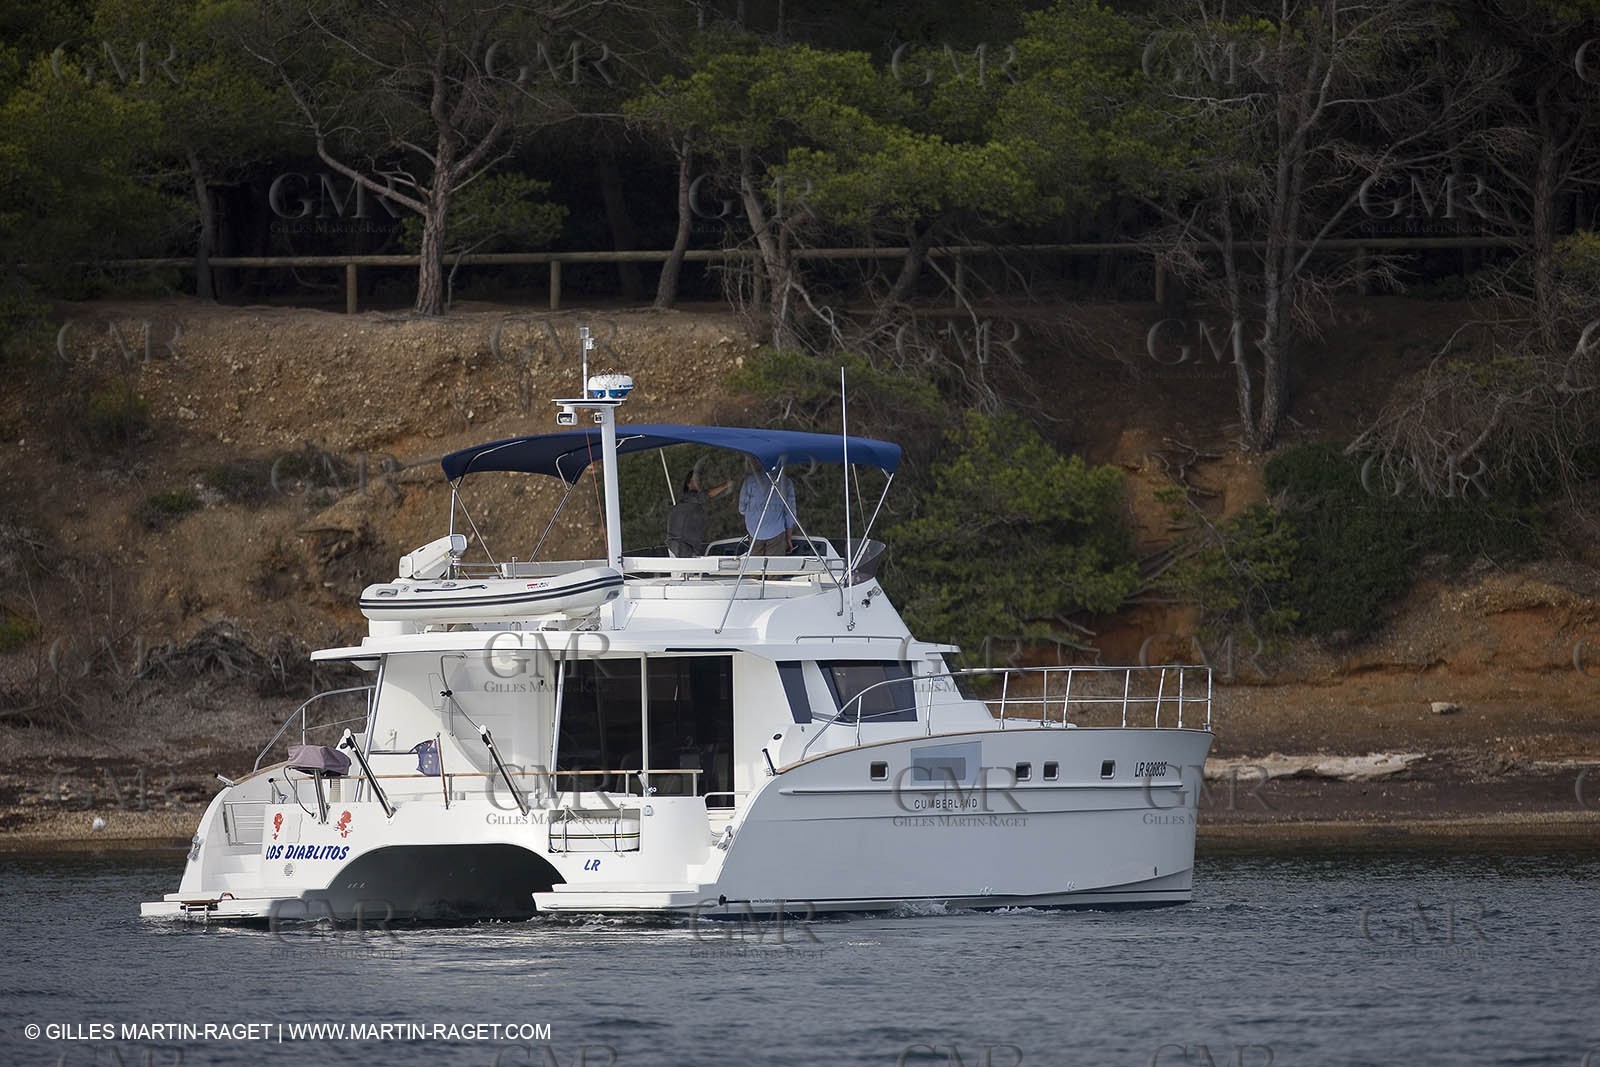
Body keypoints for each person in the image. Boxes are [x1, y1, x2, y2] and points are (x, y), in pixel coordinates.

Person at [738, 457, 798, 555]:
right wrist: (788, 538)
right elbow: (790, 513)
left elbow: (742, 509)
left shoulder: (749, 481)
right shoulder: (786, 482)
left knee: (755, 567)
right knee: (774, 567)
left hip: (754, 531)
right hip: (776, 532)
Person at [665, 469, 732, 557]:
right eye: (694, 480)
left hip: (680, 548)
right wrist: (726, 485)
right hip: (681, 548)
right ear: (688, 484)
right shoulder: (688, 497)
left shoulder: (688, 501)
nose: (698, 483)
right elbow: (705, 495)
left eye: (699, 481)